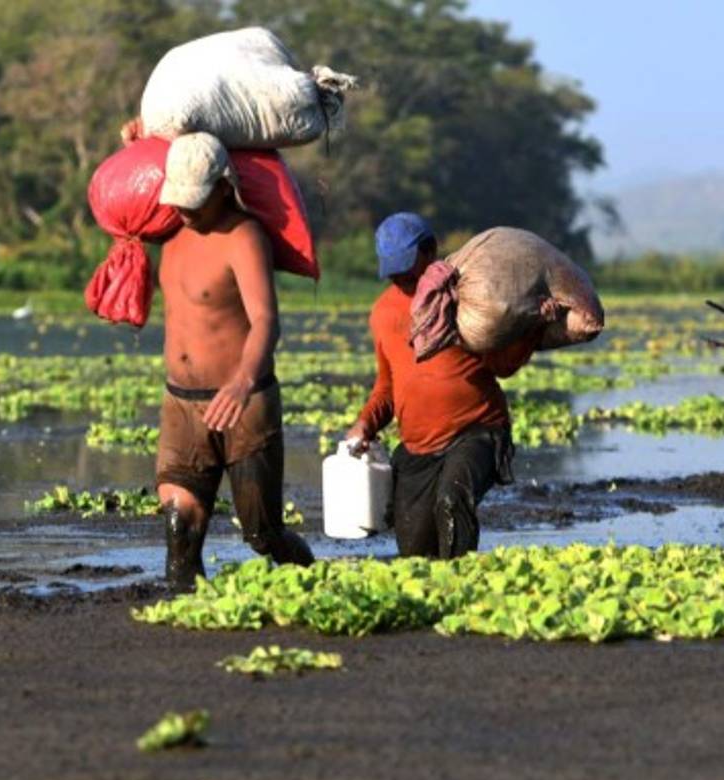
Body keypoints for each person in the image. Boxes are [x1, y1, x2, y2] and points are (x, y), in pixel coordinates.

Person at [154, 132, 313, 591]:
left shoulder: (243, 236)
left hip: (244, 403)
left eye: (195, 201)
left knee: (263, 534)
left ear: (223, 187)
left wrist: (244, 380)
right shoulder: (168, 232)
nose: (185, 210)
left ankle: (310, 579)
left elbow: (266, 320)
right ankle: (188, 625)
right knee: (179, 525)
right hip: (181, 405)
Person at [345, 212, 539, 559]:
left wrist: (531, 333)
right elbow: (388, 387)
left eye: (407, 266)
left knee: (452, 501)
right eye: (393, 270)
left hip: (477, 430)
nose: (401, 277)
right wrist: (365, 423)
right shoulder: (383, 313)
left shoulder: (464, 301)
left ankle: (464, 588)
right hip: (418, 447)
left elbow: (502, 366)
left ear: (430, 251)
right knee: (415, 551)